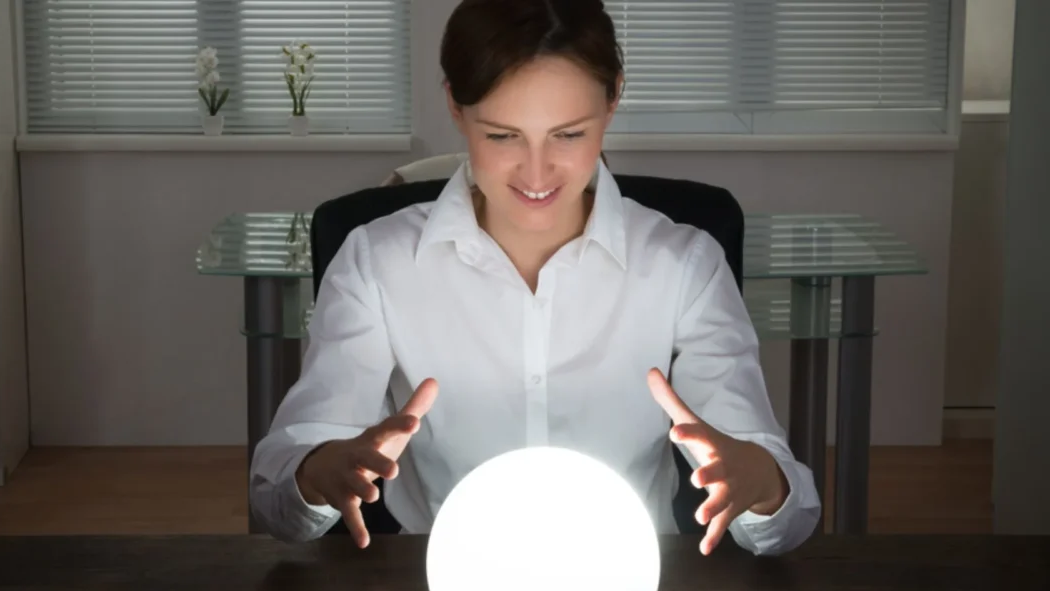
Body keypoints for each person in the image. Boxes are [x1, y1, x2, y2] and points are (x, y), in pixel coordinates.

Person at [250, 0, 821, 556]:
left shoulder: (685, 264)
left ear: (614, 98)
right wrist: (316, 474)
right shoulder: (377, 261)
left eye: (568, 135)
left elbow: (783, 516)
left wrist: (763, 485)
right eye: (502, 136)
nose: (537, 172)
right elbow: (279, 497)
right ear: (455, 105)